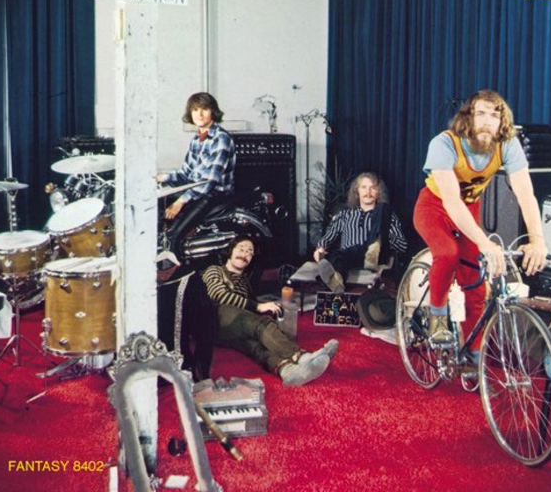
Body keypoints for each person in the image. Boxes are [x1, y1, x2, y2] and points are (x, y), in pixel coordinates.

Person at [413, 89, 548, 347]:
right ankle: (437, 318)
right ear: (468, 117)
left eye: (495, 115)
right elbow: (452, 201)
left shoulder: (507, 144)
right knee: (448, 252)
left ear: (502, 122)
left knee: (475, 281)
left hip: (469, 209)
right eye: (481, 114)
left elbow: (525, 193)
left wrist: (537, 240)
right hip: (434, 207)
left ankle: (474, 351)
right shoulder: (444, 143)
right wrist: (485, 243)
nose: (487, 121)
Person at [202, 236, 338, 386]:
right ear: (230, 251)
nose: (245, 254)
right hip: (214, 321)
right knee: (260, 324)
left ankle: (287, 370)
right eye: (241, 249)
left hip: (231, 331)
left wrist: (270, 310)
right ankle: (301, 356)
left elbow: (249, 309)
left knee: (254, 345)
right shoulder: (214, 270)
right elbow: (219, 295)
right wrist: (259, 307)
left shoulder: (244, 281)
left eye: (249, 252)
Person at [157, 92, 236, 260]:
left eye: (204, 109)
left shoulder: (221, 138)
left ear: (213, 111)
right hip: (197, 189)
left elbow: (209, 180)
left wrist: (180, 202)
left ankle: (175, 267)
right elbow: (186, 173)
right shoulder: (197, 139)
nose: (199, 114)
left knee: (173, 235)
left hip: (215, 193)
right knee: (157, 202)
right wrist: (162, 178)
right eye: (194, 110)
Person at [310, 172, 408, 293]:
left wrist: (385, 234)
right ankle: (335, 281)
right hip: (349, 256)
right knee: (337, 255)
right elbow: (328, 237)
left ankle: (374, 247)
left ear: (379, 192)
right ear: (357, 191)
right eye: (364, 187)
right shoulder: (345, 214)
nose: (368, 192)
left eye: (373, 187)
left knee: (382, 209)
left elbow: (402, 246)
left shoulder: (389, 216)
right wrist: (320, 249)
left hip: (377, 258)